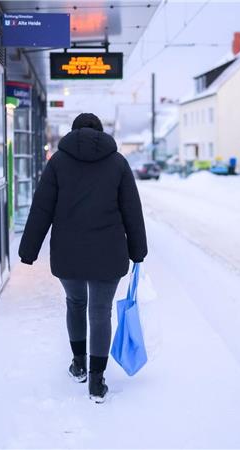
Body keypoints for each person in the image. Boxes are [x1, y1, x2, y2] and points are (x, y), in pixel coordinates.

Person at [18, 113, 148, 403]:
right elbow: (132, 211)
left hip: (68, 252)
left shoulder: (58, 163)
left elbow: (42, 207)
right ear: (100, 133)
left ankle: (79, 365)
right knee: (100, 312)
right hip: (108, 252)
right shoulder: (118, 163)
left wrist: (29, 249)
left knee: (76, 304)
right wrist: (137, 250)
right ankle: (97, 381)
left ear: (74, 133)